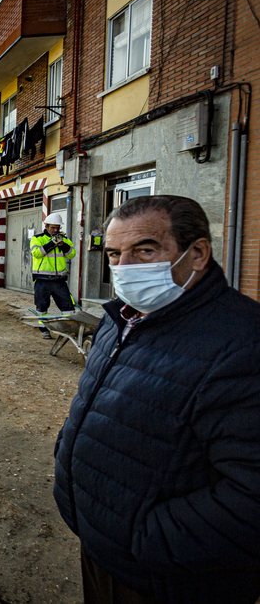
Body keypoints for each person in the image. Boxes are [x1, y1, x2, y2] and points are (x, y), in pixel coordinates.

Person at [53, 195, 260, 604]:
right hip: (103, 547)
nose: (124, 268)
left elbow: (249, 498)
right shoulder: (121, 319)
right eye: (114, 254)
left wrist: (143, 536)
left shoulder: (243, 343)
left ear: (197, 253)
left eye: (144, 250)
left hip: (171, 577)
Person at [30, 212, 77, 338]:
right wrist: (52, 243)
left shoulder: (65, 240)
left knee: (68, 307)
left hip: (59, 280)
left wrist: (63, 245)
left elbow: (72, 254)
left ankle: (68, 330)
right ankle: (44, 329)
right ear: (46, 226)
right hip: (42, 279)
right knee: (42, 306)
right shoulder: (37, 238)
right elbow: (36, 253)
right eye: (53, 228)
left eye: (58, 228)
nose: (56, 230)